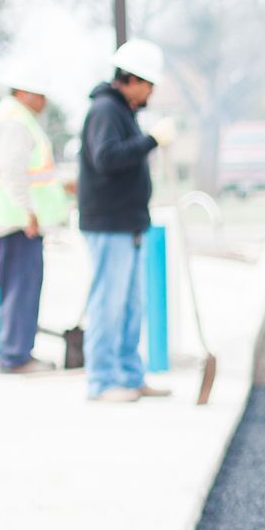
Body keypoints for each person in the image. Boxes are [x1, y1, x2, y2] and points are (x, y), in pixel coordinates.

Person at [79, 39, 175, 403]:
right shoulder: (105, 110)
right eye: (149, 84)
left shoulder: (124, 112)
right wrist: (151, 140)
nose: (151, 91)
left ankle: (130, 376)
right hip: (109, 224)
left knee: (132, 305)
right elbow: (106, 158)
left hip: (129, 223)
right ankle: (102, 382)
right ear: (131, 79)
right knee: (109, 303)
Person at [0, 73, 69, 373]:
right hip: (12, 222)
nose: (44, 102)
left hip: (1, 220)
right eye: (40, 94)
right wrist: (29, 213)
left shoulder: (7, 116)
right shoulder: (15, 121)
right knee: (20, 290)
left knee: (12, 291)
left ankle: (8, 349)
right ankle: (15, 356)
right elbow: (13, 172)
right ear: (24, 92)